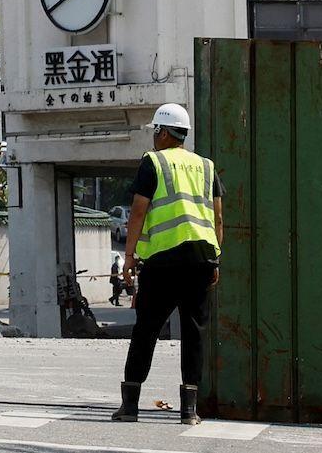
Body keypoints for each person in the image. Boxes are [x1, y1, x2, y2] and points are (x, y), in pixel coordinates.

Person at [114, 101, 220, 426]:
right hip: (201, 259)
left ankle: (130, 406)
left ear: (161, 132)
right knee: (194, 332)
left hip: (163, 261)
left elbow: (137, 210)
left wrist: (129, 256)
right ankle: (189, 411)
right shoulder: (206, 166)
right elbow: (217, 215)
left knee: (146, 329)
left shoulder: (154, 162)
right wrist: (216, 259)